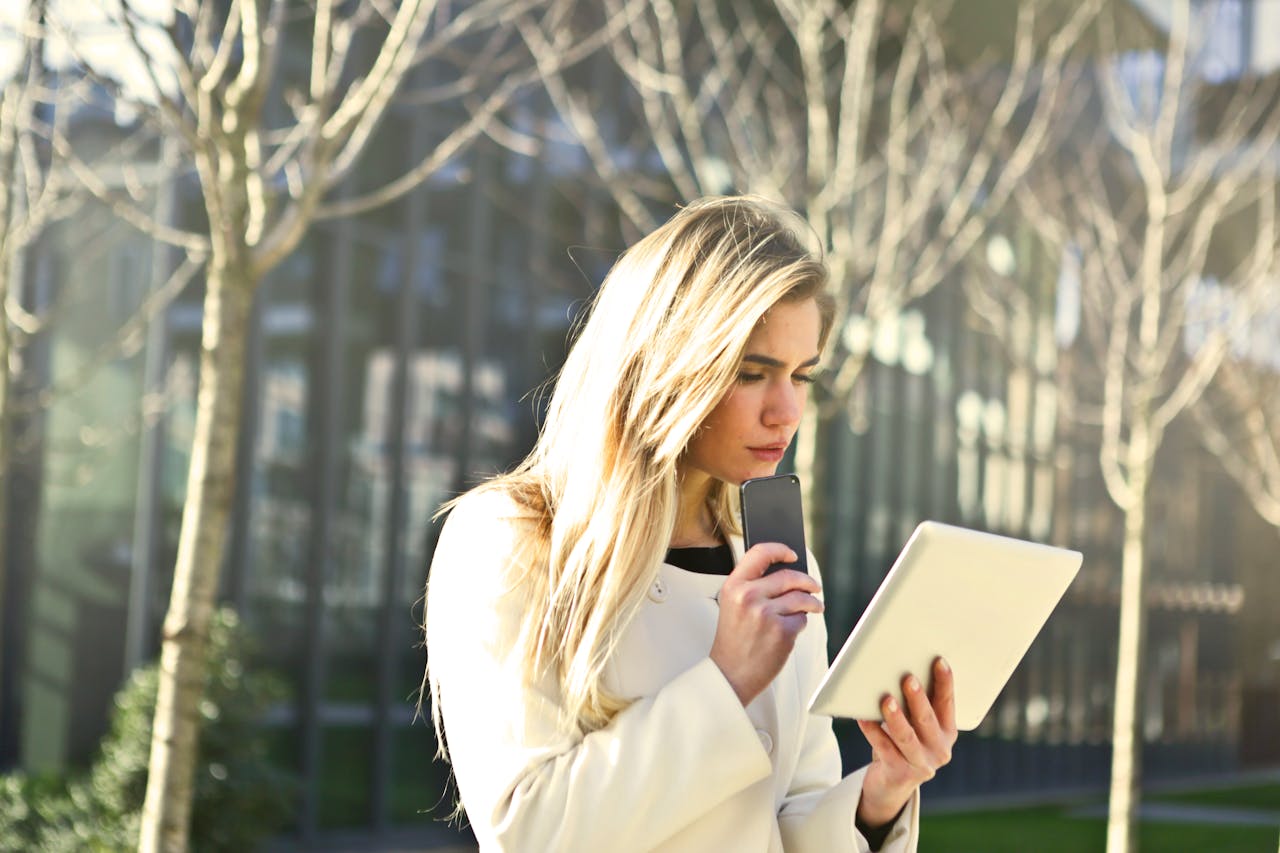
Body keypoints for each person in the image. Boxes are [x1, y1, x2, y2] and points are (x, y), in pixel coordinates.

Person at [423, 195, 957, 852]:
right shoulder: (513, 538)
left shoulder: (779, 555)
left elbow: (787, 816)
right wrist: (726, 679)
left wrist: (878, 798)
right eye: (753, 372)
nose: (786, 410)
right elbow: (529, 828)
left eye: (801, 376)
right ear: (669, 365)